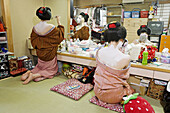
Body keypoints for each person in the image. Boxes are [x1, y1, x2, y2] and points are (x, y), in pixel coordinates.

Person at [21, 7, 64, 84]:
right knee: (51, 71)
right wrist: (59, 21)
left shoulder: (35, 28)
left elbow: (34, 40)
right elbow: (60, 37)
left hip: (40, 53)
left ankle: (28, 73)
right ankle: (34, 76)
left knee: (40, 67)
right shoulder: (51, 27)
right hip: (49, 54)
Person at [94, 22, 134, 104]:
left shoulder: (99, 51)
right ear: (122, 40)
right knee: (131, 90)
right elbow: (125, 77)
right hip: (114, 96)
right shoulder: (126, 57)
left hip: (97, 92)